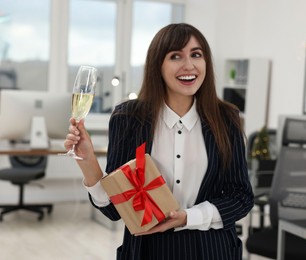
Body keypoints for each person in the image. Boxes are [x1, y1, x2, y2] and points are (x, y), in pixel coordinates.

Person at [64, 23, 254, 260]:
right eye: (176, 56)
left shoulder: (227, 119)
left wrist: (189, 217)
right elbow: (115, 210)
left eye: (196, 54)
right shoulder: (128, 119)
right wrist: (88, 161)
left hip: (212, 250)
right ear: (158, 66)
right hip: (147, 250)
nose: (189, 65)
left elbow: (241, 197)